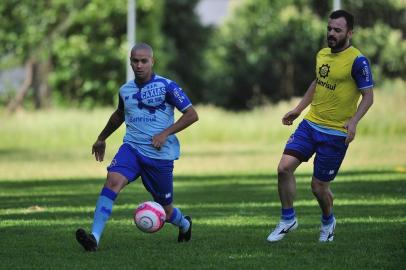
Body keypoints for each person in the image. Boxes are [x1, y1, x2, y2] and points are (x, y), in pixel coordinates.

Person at [76, 43, 199, 251]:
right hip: (131, 148)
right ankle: (94, 238)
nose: (139, 65)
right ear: (130, 62)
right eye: (135, 61)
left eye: (144, 61)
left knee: (167, 212)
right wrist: (102, 137)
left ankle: (185, 224)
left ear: (152, 61)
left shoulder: (168, 86)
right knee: (112, 181)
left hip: (159, 155)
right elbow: (119, 115)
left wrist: (164, 133)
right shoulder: (125, 90)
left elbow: (192, 115)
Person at [267, 10, 374, 243]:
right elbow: (318, 82)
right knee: (284, 168)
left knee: (318, 187)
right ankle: (288, 219)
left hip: (335, 133)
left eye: (337, 30)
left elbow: (368, 97)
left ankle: (328, 221)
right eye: (329, 29)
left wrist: (354, 122)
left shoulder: (358, 61)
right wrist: (298, 109)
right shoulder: (322, 54)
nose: (332, 34)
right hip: (310, 124)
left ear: (349, 32)